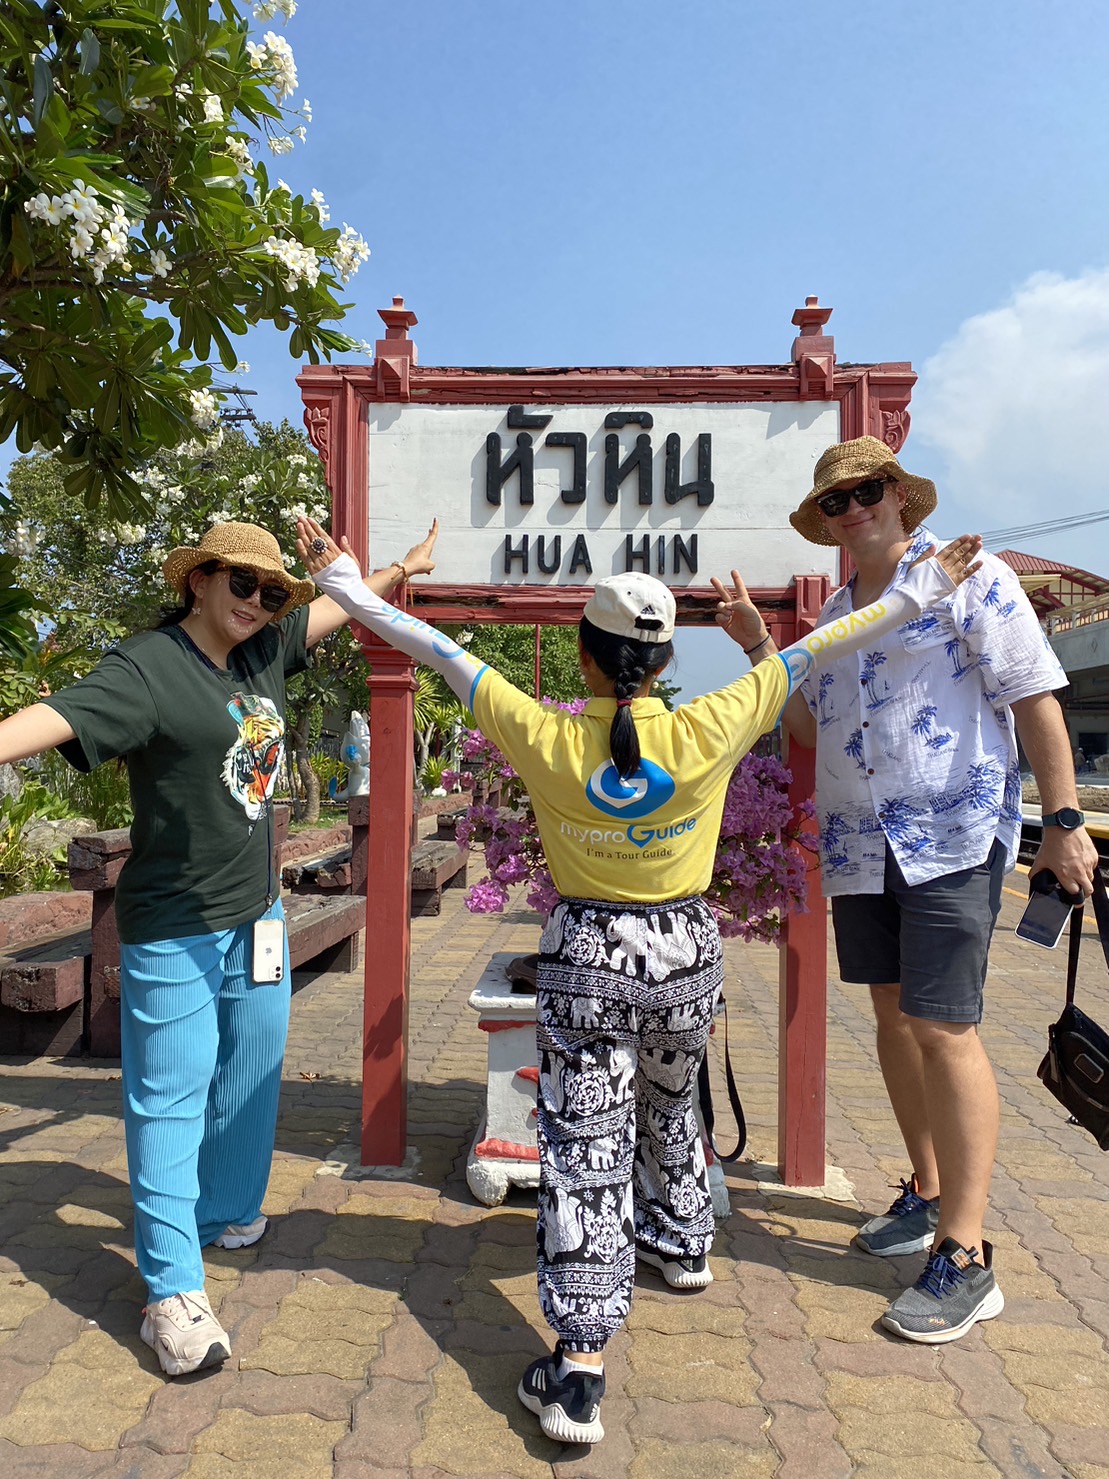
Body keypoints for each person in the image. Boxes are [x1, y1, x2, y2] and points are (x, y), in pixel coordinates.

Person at [296, 512, 979, 1444]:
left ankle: (578, 1365)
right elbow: (823, 643)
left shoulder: (538, 730)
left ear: (585, 657)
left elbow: (432, 647)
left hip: (587, 958)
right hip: (686, 953)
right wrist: (918, 593)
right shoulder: (713, 720)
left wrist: (344, 583)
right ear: (660, 664)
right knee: (670, 1100)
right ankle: (684, 1243)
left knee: (584, 1150)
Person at [0, 517, 438, 1376]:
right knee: (170, 1097)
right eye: (242, 584)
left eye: (272, 591)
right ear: (197, 578)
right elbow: (54, 716)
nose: (258, 603)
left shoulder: (259, 652)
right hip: (175, 926)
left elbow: (328, 617)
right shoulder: (149, 667)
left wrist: (394, 570)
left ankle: (227, 1211)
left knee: (253, 1068)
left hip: (257, 914)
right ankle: (170, 1289)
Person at [713, 434, 1099, 1345]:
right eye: (837, 501)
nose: (855, 508)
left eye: (869, 489)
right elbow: (803, 721)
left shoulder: (971, 575)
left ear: (899, 496)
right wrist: (761, 646)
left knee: (942, 1024)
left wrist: (1065, 819)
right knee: (891, 1017)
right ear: (826, 523)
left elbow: (1035, 693)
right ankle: (926, 1192)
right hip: (858, 843)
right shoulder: (838, 613)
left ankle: (966, 1254)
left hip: (954, 833)